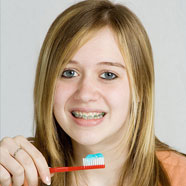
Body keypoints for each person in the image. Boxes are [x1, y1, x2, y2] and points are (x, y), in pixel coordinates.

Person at [0, 0, 186, 186]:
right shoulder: (18, 177)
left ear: (140, 90)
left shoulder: (180, 176)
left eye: (108, 75)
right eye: (69, 73)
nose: (85, 94)